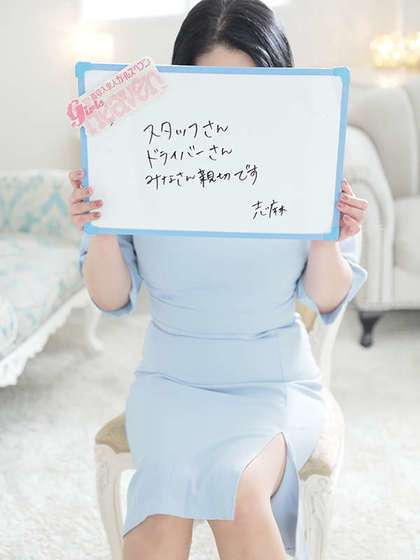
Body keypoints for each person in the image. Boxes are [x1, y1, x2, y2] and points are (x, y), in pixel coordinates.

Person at [68, 1, 369, 558]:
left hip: (272, 383)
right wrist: (101, 227)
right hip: (170, 382)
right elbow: (109, 298)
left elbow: (327, 299)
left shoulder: (308, 157)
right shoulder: (141, 158)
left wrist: (324, 233)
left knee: (238, 492)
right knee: (160, 508)